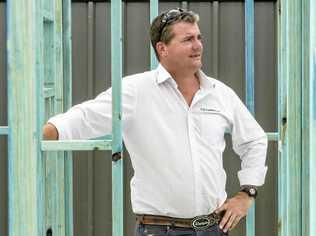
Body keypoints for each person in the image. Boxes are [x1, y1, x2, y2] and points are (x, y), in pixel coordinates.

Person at [43, 8, 268, 236]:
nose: (198, 45)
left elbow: (254, 139)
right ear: (162, 48)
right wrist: (41, 136)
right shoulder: (135, 91)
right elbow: (85, 118)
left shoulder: (220, 93)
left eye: (199, 37)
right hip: (159, 230)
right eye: (188, 39)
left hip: (213, 228)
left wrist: (246, 193)